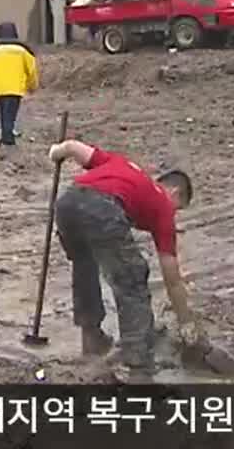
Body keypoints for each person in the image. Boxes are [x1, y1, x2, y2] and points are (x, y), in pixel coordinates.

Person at [47, 138, 199, 379]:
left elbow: (72, 147)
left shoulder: (120, 164)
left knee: (84, 266)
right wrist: (186, 322)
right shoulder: (162, 203)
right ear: (174, 191)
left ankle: (92, 337)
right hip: (103, 208)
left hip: (67, 204)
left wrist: (56, 152)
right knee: (132, 279)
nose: (175, 214)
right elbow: (172, 277)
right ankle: (140, 367)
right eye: (179, 207)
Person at [0, 22, 38, 147]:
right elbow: (31, 70)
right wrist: (32, 86)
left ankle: (6, 136)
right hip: (16, 88)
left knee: (4, 111)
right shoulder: (22, 52)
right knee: (10, 113)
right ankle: (8, 139)